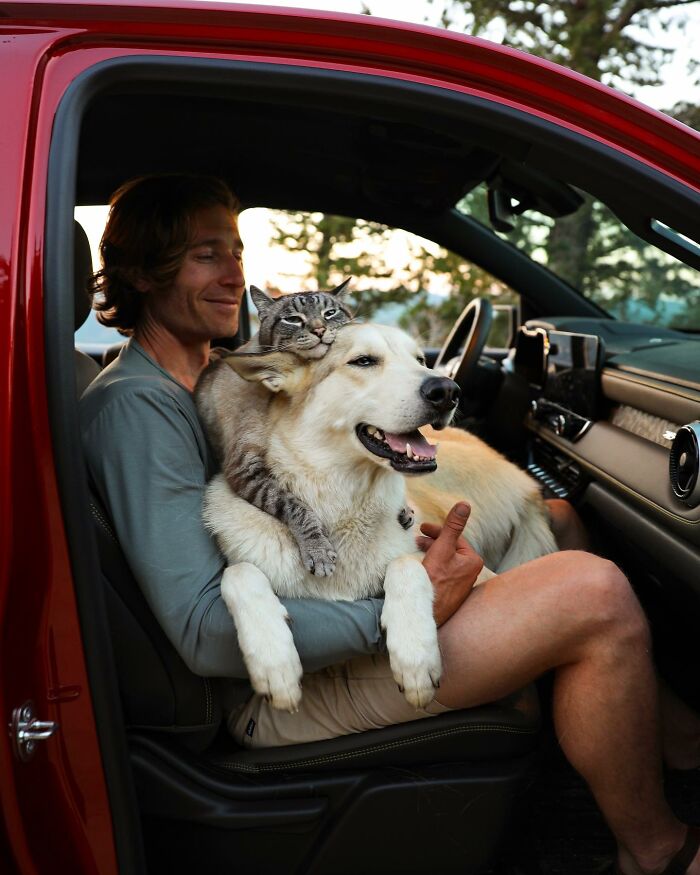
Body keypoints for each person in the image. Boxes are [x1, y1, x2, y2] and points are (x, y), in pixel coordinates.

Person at [80, 173, 700, 875]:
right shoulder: (139, 408)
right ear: (141, 271)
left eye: (236, 251)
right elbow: (204, 630)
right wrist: (404, 611)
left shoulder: (215, 374)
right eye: (204, 255)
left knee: (556, 520)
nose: (233, 274)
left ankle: (673, 741)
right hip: (272, 691)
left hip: (323, 613)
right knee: (594, 594)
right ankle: (657, 850)